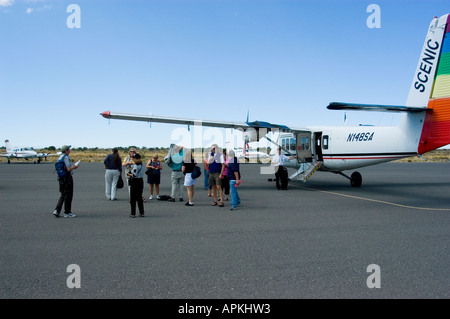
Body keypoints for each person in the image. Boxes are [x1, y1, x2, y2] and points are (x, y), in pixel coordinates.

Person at [53, 145, 78, 218]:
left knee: (63, 194)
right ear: (66, 150)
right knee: (68, 195)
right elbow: (68, 169)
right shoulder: (66, 157)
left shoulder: (60, 157)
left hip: (61, 178)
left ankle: (57, 210)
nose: (70, 150)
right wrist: (74, 167)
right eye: (68, 149)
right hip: (67, 178)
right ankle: (67, 212)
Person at [127, 153, 145, 218]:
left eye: (134, 158)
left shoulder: (136, 166)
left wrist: (129, 174)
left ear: (137, 159)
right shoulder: (142, 165)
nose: (133, 159)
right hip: (140, 181)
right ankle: (141, 212)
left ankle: (133, 213)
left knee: (133, 198)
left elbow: (134, 174)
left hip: (135, 181)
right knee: (139, 197)